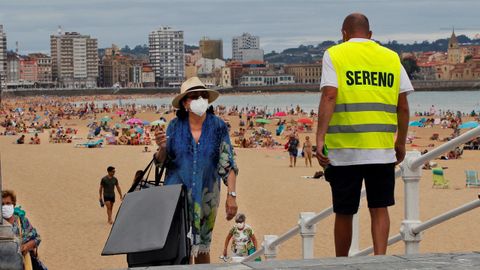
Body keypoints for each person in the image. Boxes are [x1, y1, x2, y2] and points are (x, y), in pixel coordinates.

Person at [316, 13, 412, 256]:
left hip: (345, 150)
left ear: (344, 34)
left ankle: (342, 261)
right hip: (381, 148)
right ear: (370, 34)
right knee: (380, 208)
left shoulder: (335, 54)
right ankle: (380, 260)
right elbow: (403, 106)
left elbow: (329, 95)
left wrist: (319, 139)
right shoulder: (391, 58)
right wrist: (400, 143)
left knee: (345, 211)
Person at [154, 77, 238, 264]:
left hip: (207, 196)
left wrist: (231, 195)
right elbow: (161, 163)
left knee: (201, 248)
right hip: (176, 197)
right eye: (193, 96)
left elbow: (228, 163)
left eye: (202, 96)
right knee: (180, 249)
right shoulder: (175, 127)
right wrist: (162, 147)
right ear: (184, 103)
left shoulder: (218, 126)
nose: (199, 99)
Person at [2, 190, 43, 268]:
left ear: (13, 205)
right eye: (2, 204)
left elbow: (37, 238)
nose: (4, 207)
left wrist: (26, 246)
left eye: (8, 203)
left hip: (22, 263)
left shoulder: (21, 221)